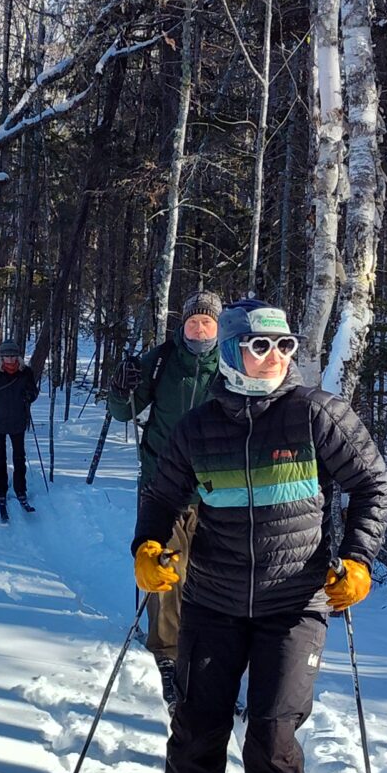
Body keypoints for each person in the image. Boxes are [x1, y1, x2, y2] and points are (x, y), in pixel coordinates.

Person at [130, 298, 387, 773]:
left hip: (294, 603)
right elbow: (162, 496)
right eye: (259, 345)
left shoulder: (316, 414)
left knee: (274, 730)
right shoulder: (199, 428)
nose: (274, 357)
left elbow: (371, 483)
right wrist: (148, 546)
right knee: (198, 721)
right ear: (231, 352)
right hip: (213, 599)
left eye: (285, 346)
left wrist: (357, 559)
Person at [107, 289, 222, 703]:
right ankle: (168, 652)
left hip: (215, 492)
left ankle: (206, 653)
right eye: (193, 321)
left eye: (207, 322)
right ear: (183, 324)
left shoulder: (231, 366)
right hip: (163, 485)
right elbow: (123, 411)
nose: (199, 328)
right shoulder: (161, 361)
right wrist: (120, 388)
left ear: (218, 327)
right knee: (166, 571)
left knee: (210, 576)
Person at [0, 345, 39, 519]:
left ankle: (21, 489)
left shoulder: (25, 372)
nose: (10, 359)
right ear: (2, 358)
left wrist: (29, 395)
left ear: (18, 357)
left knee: (19, 457)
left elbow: (33, 392)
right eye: (7, 356)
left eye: (13, 356)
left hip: (17, 420)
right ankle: (0, 488)